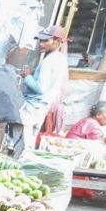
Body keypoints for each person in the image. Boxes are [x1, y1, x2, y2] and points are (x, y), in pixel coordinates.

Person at [18, 25, 69, 154]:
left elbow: (40, 88)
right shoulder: (61, 59)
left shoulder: (49, 61)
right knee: (30, 142)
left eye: (46, 41)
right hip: (43, 106)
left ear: (57, 41)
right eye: (41, 40)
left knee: (23, 143)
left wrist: (27, 76)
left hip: (33, 105)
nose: (41, 44)